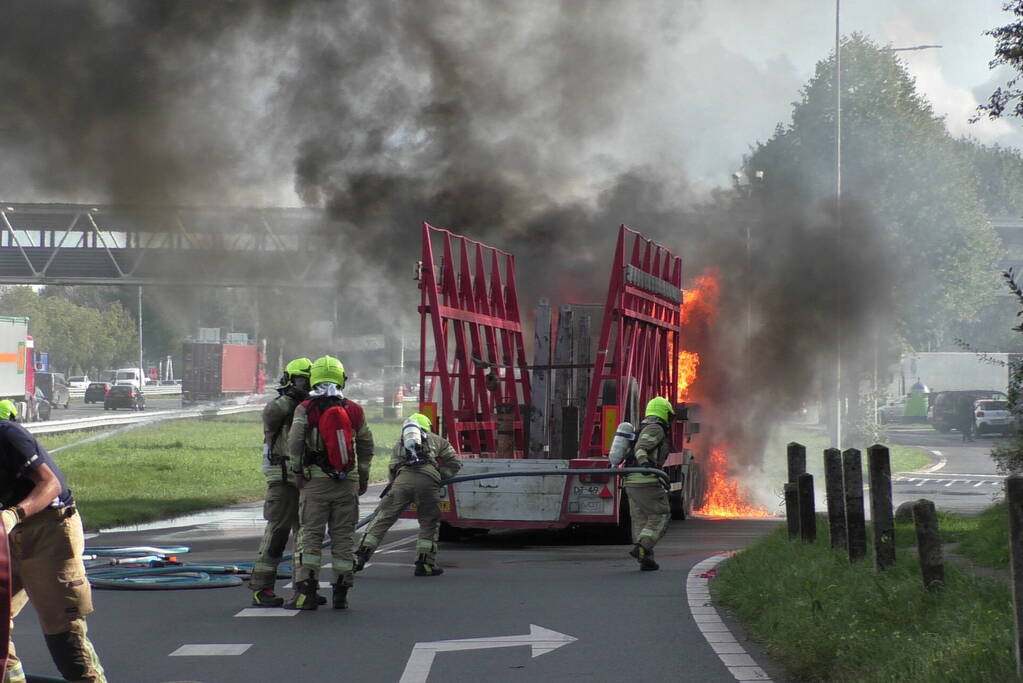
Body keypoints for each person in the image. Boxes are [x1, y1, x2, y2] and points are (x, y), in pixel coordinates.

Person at [0, 398, 106, 682]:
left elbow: (51, 484)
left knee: (62, 634)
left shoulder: (8, 435)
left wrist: (13, 515)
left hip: (49, 530)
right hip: (6, 536)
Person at [285, 356, 374, 610]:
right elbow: (367, 444)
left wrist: (297, 471)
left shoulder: (305, 408)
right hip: (347, 483)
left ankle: (307, 592)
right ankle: (341, 593)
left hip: (316, 484)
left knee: (311, 537)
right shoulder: (354, 409)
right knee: (344, 538)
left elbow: (295, 442)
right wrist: (363, 475)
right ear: (342, 378)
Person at [354, 412, 461, 576]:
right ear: (428, 426)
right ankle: (425, 563)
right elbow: (455, 462)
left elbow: (392, 470)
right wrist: (440, 475)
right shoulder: (438, 440)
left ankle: (361, 555)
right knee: (428, 521)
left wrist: (396, 486)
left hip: (401, 483)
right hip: (428, 482)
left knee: (382, 518)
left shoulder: (400, 443)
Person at [248, 357, 314, 607]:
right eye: (302, 380)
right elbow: (272, 414)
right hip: (283, 481)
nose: (307, 386)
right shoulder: (280, 407)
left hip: (307, 480)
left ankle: (302, 589)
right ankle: (262, 588)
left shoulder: (310, 407)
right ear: (290, 381)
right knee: (277, 534)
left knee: (306, 537)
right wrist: (294, 394)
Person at [622, 396, 674, 572]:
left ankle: (646, 559)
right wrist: (645, 464)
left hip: (630, 481)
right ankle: (643, 547)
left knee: (641, 520)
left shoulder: (642, 428)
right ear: (664, 413)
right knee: (661, 515)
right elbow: (641, 448)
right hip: (645, 481)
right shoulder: (655, 428)